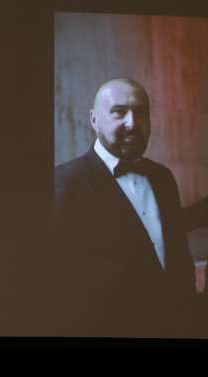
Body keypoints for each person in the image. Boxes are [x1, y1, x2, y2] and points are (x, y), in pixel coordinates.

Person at [53, 78, 194, 338]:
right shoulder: (64, 183)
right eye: (118, 112)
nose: (132, 123)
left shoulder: (163, 178)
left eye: (140, 113)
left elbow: (181, 262)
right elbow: (58, 286)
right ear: (94, 120)